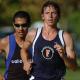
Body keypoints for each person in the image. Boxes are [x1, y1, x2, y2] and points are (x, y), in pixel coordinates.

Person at [21, 1, 77, 80]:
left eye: (53, 13)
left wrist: (64, 56)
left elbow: (74, 68)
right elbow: (23, 50)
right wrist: (25, 62)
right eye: (47, 13)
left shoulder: (65, 37)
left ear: (58, 16)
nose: (50, 16)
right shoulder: (33, 34)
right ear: (42, 16)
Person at [0, 11, 31, 80]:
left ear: (29, 24)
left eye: (24, 25)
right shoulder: (6, 42)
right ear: (13, 25)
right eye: (17, 25)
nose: (20, 29)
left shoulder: (34, 41)